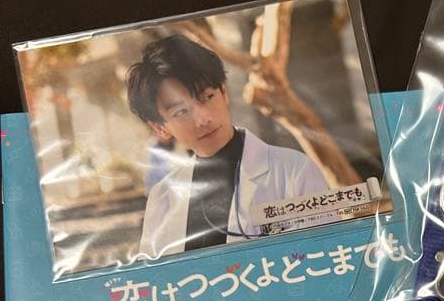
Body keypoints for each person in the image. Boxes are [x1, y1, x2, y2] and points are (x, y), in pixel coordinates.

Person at [126, 34, 329, 258]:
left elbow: (325, 257)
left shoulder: (294, 171)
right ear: (160, 127)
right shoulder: (162, 198)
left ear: (224, 92)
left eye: (206, 97)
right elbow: (157, 277)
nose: (202, 119)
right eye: (181, 111)